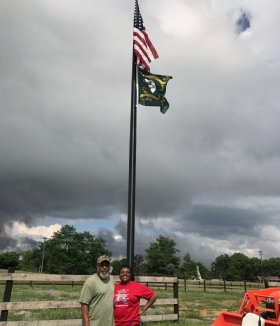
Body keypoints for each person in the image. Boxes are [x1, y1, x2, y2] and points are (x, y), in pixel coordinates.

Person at [79, 255, 115, 326]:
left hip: (109, 323)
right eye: (102, 265)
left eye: (106, 265)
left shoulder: (112, 279)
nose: (104, 267)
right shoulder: (90, 282)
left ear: (109, 266)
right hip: (94, 323)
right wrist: (87, 324)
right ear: (97, 266)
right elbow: (84, 305)